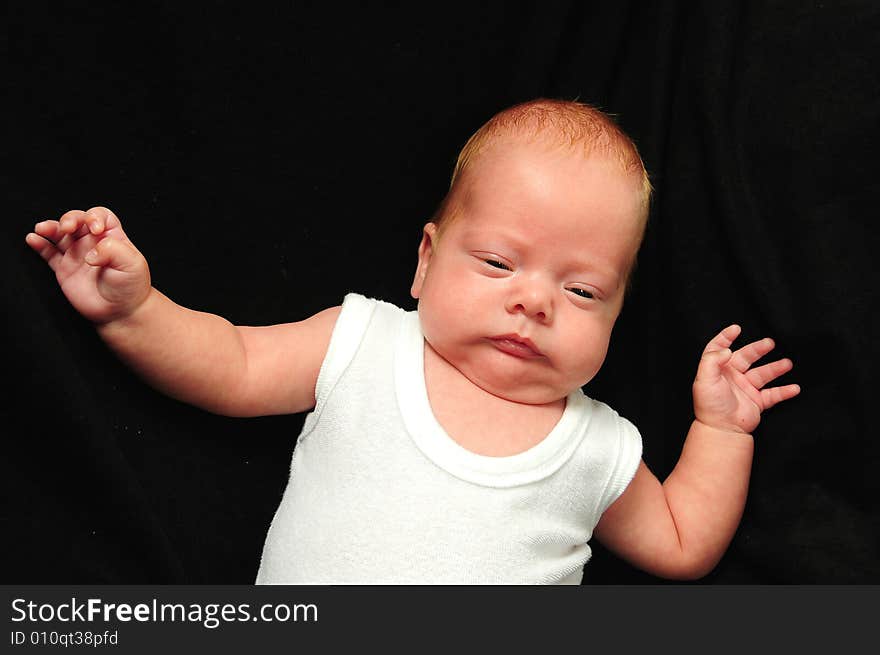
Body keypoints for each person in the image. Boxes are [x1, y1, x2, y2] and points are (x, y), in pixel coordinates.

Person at [24, 98, 800, 584]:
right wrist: (134, 309)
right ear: (425, 262)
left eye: (582, 290)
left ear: (618, 318)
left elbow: (680, 539)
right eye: (498, 263)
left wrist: (722, 428)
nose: (533, 300)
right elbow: (231, 364)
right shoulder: (365, 342)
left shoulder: (593, 444)